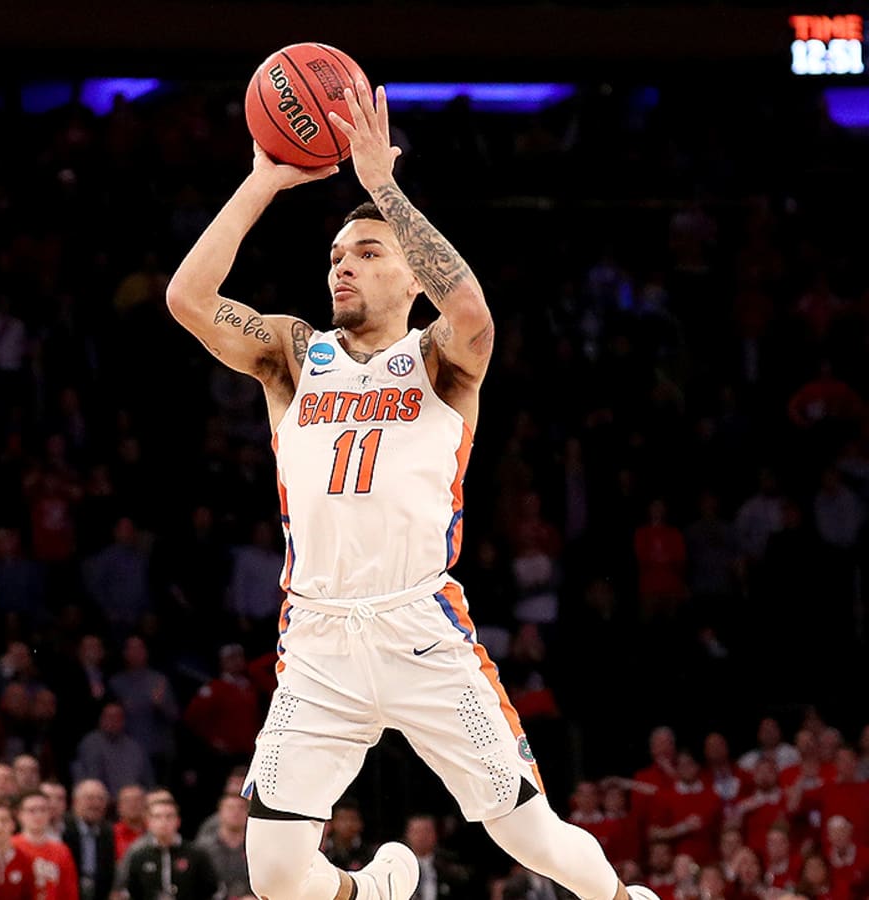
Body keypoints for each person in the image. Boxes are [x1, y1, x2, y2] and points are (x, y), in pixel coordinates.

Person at [166, 79, 662, 900]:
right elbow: (188, 300)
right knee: (277, 876)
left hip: (419, 627)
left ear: (410, 276)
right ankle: (378, 889)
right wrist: (264, 177)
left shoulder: (439, 358)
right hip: (319, 639)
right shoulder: (295, 354)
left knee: (530, 835)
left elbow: (470, 306)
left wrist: (381, 189)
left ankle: (620, 899)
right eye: (335, 256)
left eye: (368, 253)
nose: (345, 266)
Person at [121, 798, 218, 900]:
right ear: (148, 822)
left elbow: (211, 891)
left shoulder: (196, 854)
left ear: (178, 821)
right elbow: (133, 893)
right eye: (157, 817)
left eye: (169, 816)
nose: (163, 822)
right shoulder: (139, 856)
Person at [11, 790, 79, 900]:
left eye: (43, 810)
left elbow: (70, 892)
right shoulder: (11, 846)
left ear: (49, 813)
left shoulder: (62, 851)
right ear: (19, 814)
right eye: (32, 810)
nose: (38, 815)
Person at [61, 779, 114, 900]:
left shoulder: (108, 832)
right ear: (75, 802)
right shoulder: (63, 829)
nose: (95, 804)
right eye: (89, 798)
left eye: (100, 799)